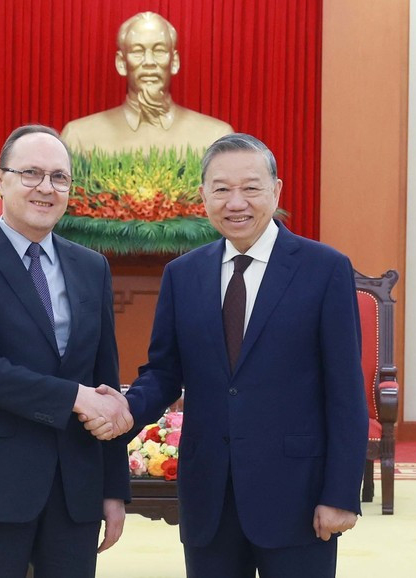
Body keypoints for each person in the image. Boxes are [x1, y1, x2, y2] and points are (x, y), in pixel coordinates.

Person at [85, 133, 368, 577]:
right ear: (203, 197)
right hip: (208, 495)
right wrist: (123, 409)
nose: (236, 202)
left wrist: (340, 494)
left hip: (296, 493)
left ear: (276, 190)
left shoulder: (324, 269)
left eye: (251, 187)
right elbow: (163, 372)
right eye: (221, 189)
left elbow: (346, 390)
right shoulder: (183, 274)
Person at [0, 124, 133, 578]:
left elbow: (105, 376)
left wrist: (113, 488)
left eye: (59, 177)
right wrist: (76, 398)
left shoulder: (91, 266)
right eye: (31, 174)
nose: (46, 187)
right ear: (0, 179)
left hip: (75, 489)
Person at [61, 11, 232, 155]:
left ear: (174, 62)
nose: (149, 62)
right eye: (137, 51)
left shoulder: (215, 137)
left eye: (159, 50)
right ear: (121, 63)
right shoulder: (79, 138)